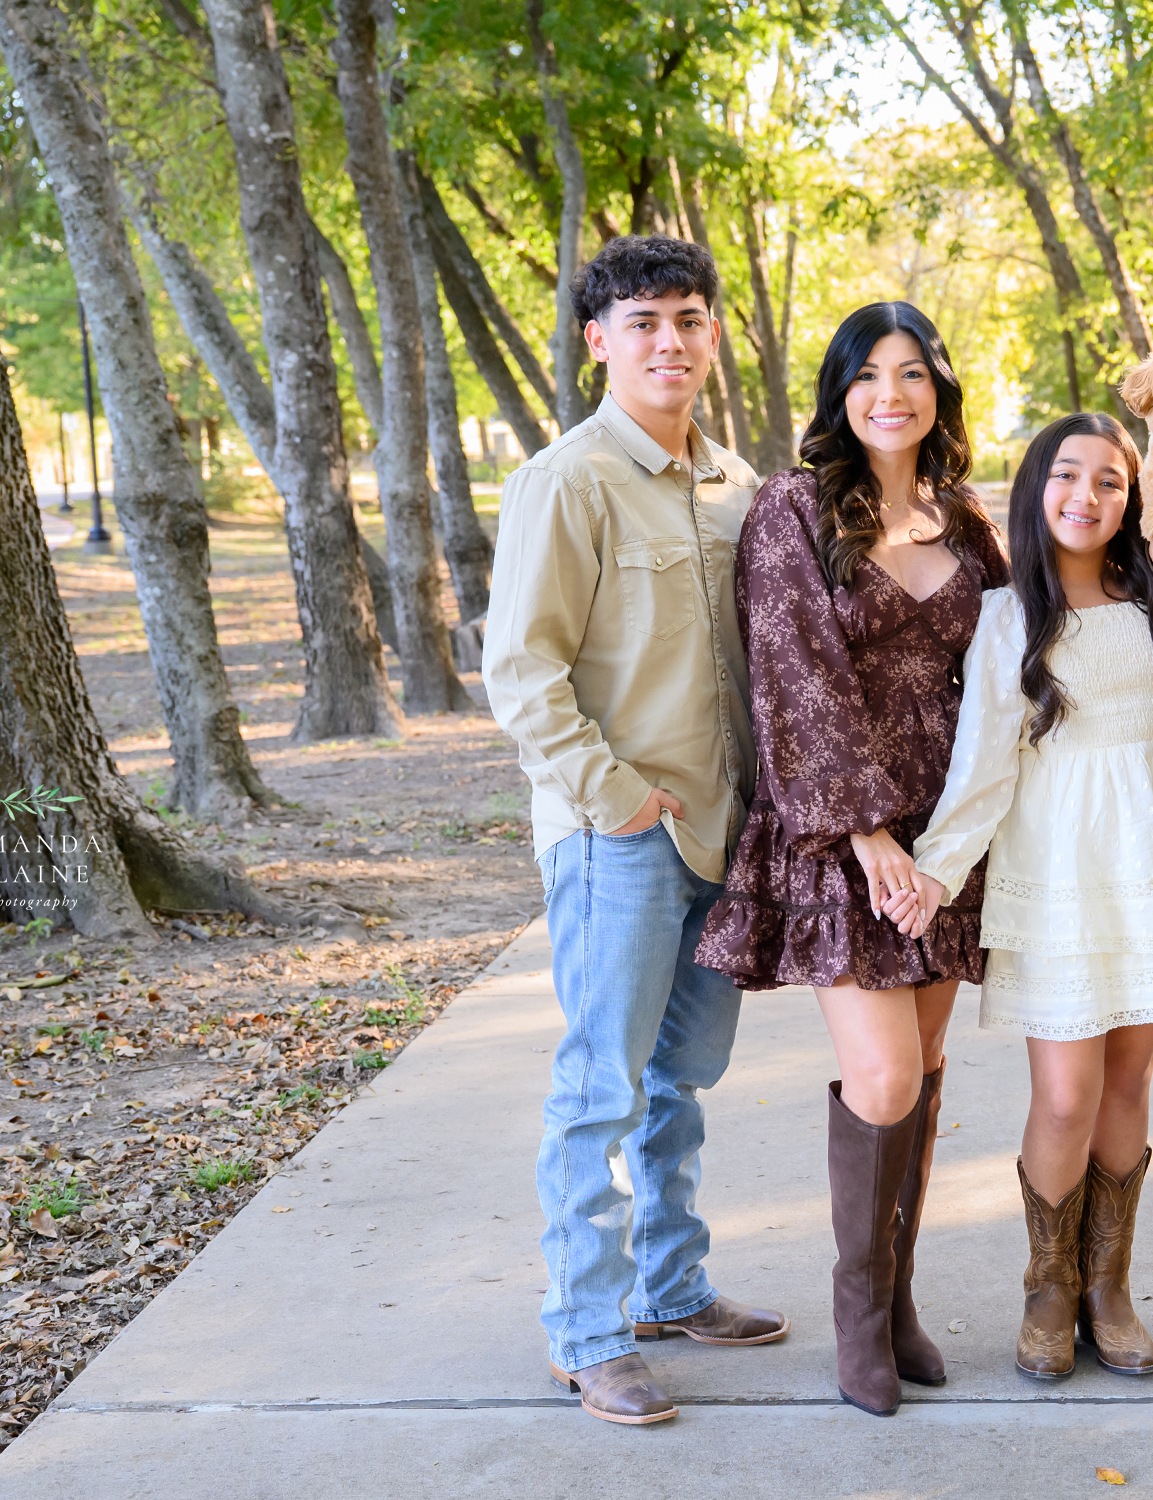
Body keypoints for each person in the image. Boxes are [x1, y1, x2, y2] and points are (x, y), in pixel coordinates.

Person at [484, 235, 788, 1429]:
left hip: (719, 831)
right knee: (601, 1084)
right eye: (644, 321)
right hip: (618, 831)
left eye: (690, 319)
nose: (671, 340)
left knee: (683, 1078)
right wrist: (609, 795)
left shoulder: (738, 485)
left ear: (714, 337)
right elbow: (522, 669)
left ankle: (670, 1284)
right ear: (597, 339)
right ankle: (590, 1330)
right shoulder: (567, 480)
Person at [693, 301, 1008, 1417]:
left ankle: (903, 1298)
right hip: (843, 828)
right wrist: (869, 837)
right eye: (868, 374)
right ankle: (856, 1318)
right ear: (839, 391)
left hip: (954, 832)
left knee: (922, 1076)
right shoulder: (793, 508)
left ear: (940, 389)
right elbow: (792, 677)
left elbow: (1016, 661)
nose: (891, 393)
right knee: (879, 1076)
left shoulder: (968, 517)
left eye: (913, 372)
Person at [905, 412, 1153, 1382]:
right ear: (1036, 488)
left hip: (1152, 861)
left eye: (1109, 483)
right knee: (1065, 1092)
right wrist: (936, 868)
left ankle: (1107, 1289)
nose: (1086, 499)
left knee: (1128, 1084)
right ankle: (1047, 1288)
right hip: (1059, 869)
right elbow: (980, 765)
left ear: (1133, 501)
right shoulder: (1008, 614)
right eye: (1068, 477)